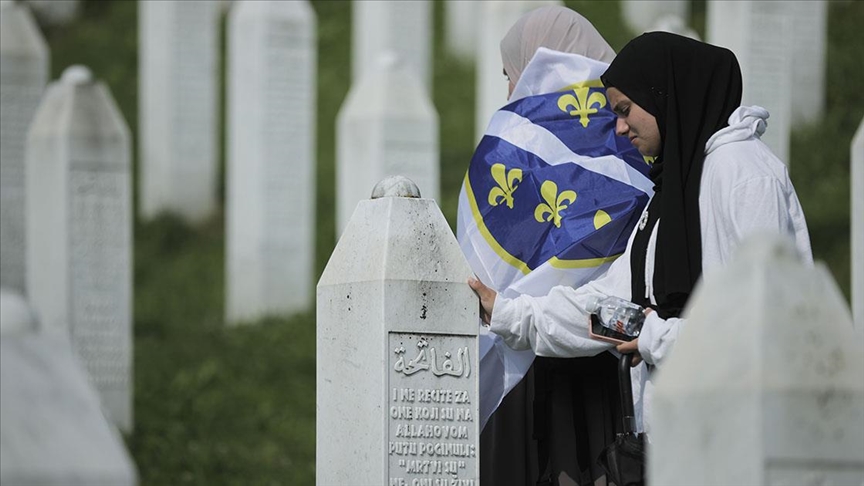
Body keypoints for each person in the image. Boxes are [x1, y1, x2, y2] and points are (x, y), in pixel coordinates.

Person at [469, 31, 813, 438]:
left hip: (740, 437)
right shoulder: (676, 189)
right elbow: (613, 306)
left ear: (663, 94)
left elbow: (769, 324)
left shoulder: (745, 174)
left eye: (625, 109)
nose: (619, 127)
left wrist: (658, 338)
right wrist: (508, 313)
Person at [464, 6, 651, 486]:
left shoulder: (509, 142)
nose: (511, 88)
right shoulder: (633, 133)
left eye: (510, 73)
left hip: (519, 362)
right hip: (606, 352)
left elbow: (477, 264)